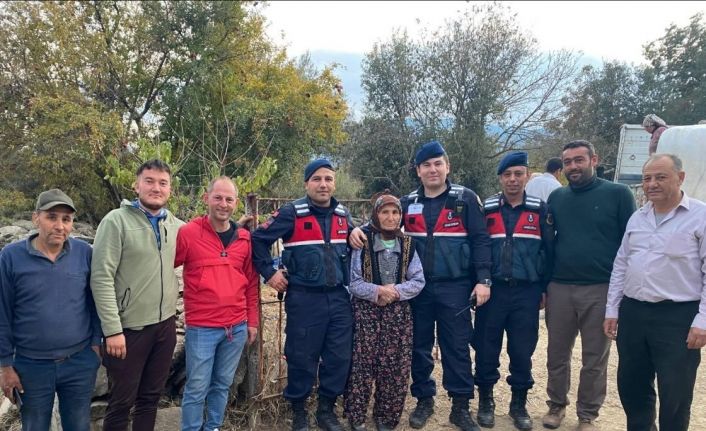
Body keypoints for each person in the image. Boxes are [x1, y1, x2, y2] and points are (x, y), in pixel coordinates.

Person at [350, 140, 492, 431]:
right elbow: (381, 223)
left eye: (438, 163)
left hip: (455, 286)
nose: (432, 169)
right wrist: (356, 230)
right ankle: (424, 399)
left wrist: (483, 280)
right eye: (426, 165)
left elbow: (480, 241)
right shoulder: (407, 202)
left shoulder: (464, 199)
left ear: (447, 166)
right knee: (419, 347)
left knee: (456, 346)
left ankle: (460, 405)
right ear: (418, 170)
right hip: (417, 290)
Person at [604, 154, 706, 431]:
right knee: (632, 384)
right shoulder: (639, 217)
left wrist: (702, 321)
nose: (652, 184)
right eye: (647, 178)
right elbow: (621, 264)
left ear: (680, 178)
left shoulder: (700, 216)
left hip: (678, 315)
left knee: (675, 390)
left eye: (660, 177)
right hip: (635, 312)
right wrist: (612, 309)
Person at [251, 159, 353, 431]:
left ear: (334, 183)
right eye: (317, 179)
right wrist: (270, 274)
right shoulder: (291, 213)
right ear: (306, 183)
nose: (323, 184)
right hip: (305, 299)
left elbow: (357, 242)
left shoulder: (343, 215)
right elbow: (258, 240)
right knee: (301, 356)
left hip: (339, 299)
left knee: (339, 357)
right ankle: (298, 411)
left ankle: (326, 410)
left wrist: (359, 235)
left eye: (328, 179)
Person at [542, 141, 636, 431]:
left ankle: (587, 415)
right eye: (567, 161)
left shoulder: (618, 194)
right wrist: (545, 286)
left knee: (595, 357)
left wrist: (621, 292)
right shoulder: (557, 198)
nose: (573, 166)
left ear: (594, 159)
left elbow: (630, 243)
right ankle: (556, 406)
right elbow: (548, 244)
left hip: (601, 288)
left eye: (579, 160)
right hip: (560, 287)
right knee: (557, 353)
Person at [91, 159, 184, 431]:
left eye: (163, 183)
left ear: (170, 189)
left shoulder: (176, 225)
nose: (156, 188)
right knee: (121, 402)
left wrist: (239, 226)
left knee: (150, 398)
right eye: (150, 181)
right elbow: (101, 277)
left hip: (165, 326)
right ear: (136, 184)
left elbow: (209, 237)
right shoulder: (115, 222)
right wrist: (112, 330)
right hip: (127, 330)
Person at [0, 189, 101, 431]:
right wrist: (5, 366)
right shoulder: (11, 257)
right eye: (52, 217)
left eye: (66, 219)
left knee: (78, 425)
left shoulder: (84, 253)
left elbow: (95, 300)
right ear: (36, 218)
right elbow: (2, 312)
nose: (59, 226)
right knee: (34, 426)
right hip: (31, 365)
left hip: (79, 361)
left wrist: (95, 345)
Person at [473, 152, 554, 430]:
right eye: (507, 174)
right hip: (493, 292)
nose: (512, 179)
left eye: (518, 173)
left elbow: (549, 251)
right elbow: (479, 248)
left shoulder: (539, 209)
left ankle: (518, 404)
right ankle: (486, 401)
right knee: (485, 348)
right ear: (500, 178)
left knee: (522, 351)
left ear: (527, 176)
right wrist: (481, 280)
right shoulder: (488, 208)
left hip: (526, 292)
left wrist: (544, 288)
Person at [175, 176, 260, 431]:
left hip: (236, 328)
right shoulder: (188, 233)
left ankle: (212, 426)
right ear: (206, 199)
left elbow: (252, 284)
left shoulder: (244, 239)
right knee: (196, 387)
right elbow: (163, 266)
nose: (223, 204)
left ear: (235, 203)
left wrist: (252, 322)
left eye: (229, 199)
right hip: (202, 328)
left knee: (222, 384)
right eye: (218, 198)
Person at [343, 193, 425, 431]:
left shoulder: (408, 244)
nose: (391, 217)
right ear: (376, 215)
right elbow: (354, 282)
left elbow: (418, 281)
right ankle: (357, 416)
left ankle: (386, 418)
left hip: (398, 316)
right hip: (366, 314)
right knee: (362, 364)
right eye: (385, 212)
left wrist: (395, 292)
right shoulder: (362, 241)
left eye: (395, 212)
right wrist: (377, 291)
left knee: (395, 367)